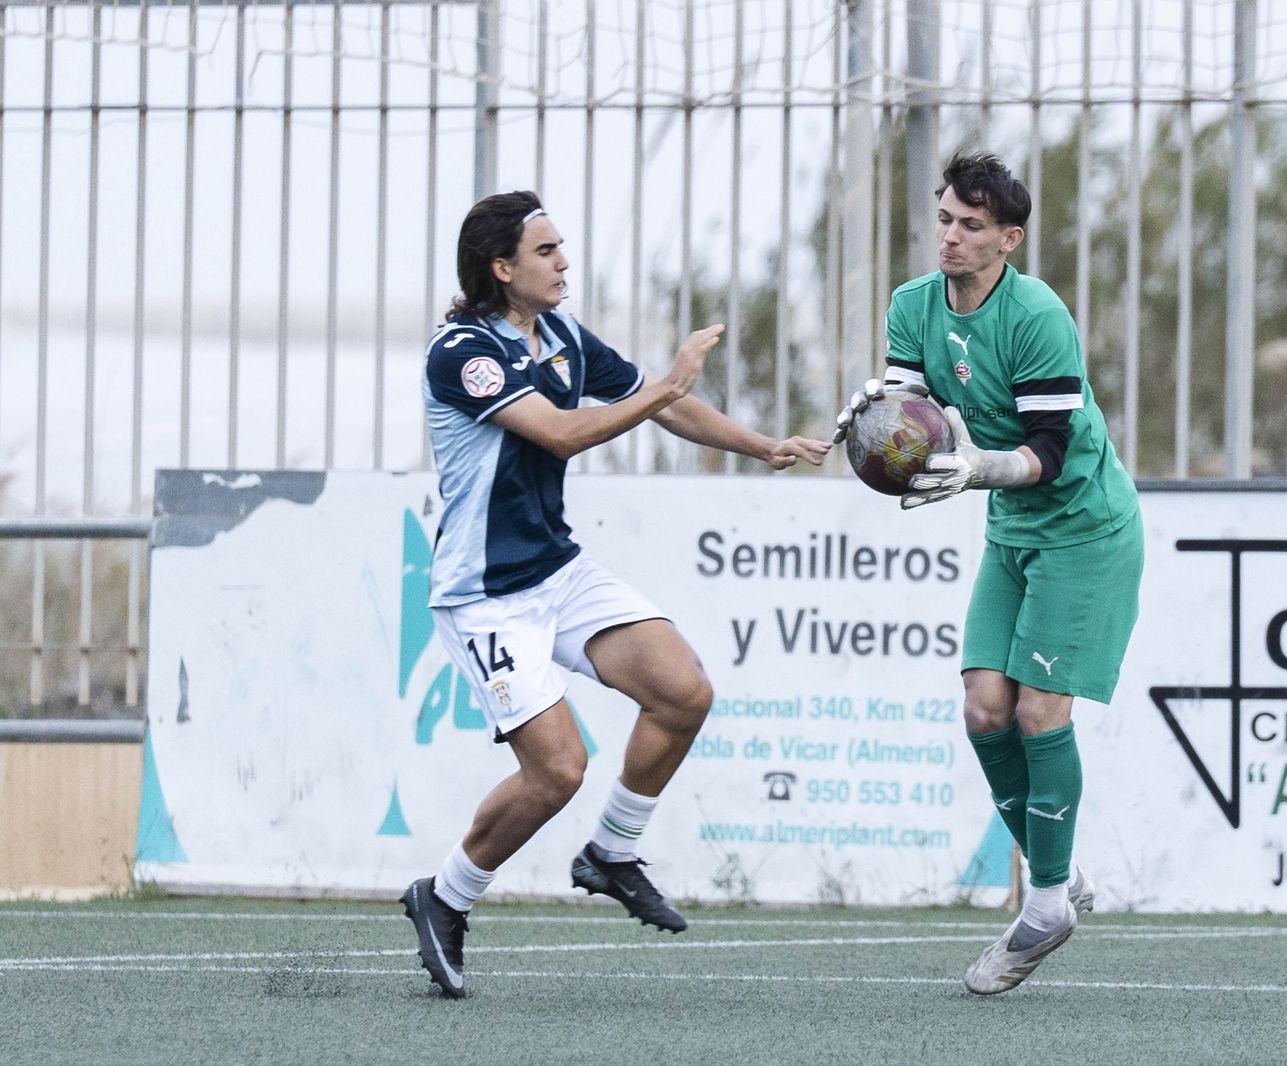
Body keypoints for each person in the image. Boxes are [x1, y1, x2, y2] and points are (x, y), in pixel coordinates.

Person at [402, 190, 830, 998]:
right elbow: (565, 431)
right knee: (557, 769)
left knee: (682, 691)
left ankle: (612, 852)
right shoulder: (463, 352)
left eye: (562, 246)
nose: (565, 262)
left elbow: (666, 406)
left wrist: (762, 444)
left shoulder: (559, 333)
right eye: (547, 251)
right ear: (502, 269)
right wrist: (664, 388)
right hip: (483, 596)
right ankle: (447, 896)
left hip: (556, 571)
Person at [834, 151, 1142, 995]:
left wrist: (975, 471)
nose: (951, 237)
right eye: (943, 218)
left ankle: (1044, 904)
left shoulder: (1039, 314)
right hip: (1013, 532)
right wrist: (868, 424)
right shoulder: (912, 306)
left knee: (1041, 711)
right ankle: (1058, 875)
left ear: (1009, 238)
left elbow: (1047, 449)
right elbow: (909, 418)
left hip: (1084, 527)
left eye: (972, 226)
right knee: (983, 708)